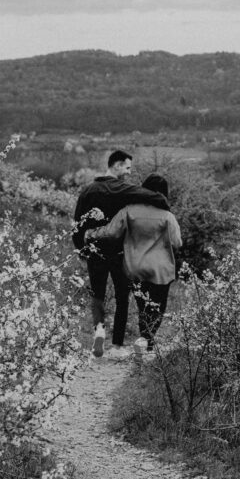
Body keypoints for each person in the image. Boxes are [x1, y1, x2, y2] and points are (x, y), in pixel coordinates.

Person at [73, 151, 170, 357]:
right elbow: (153, 196)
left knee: (97, 294)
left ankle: (99, 332)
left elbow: (77, 224)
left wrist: (81, 250)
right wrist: (163, 205)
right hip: (119, 252)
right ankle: (117, 345)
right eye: (126, 168)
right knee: (122, 298)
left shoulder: (88, 191)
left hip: (93, 250)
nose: (128, 173)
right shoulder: (123, 189)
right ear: (116, 165)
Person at [85, 173, 181, 353]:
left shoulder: (128, 210)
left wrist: (90, 234)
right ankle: (146, 340)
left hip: (134, 267)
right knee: (158, 307)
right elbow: (177, 242)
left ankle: (143, 340)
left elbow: (111, 232)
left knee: (142, 305)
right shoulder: (167, 216)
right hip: (160, 269)